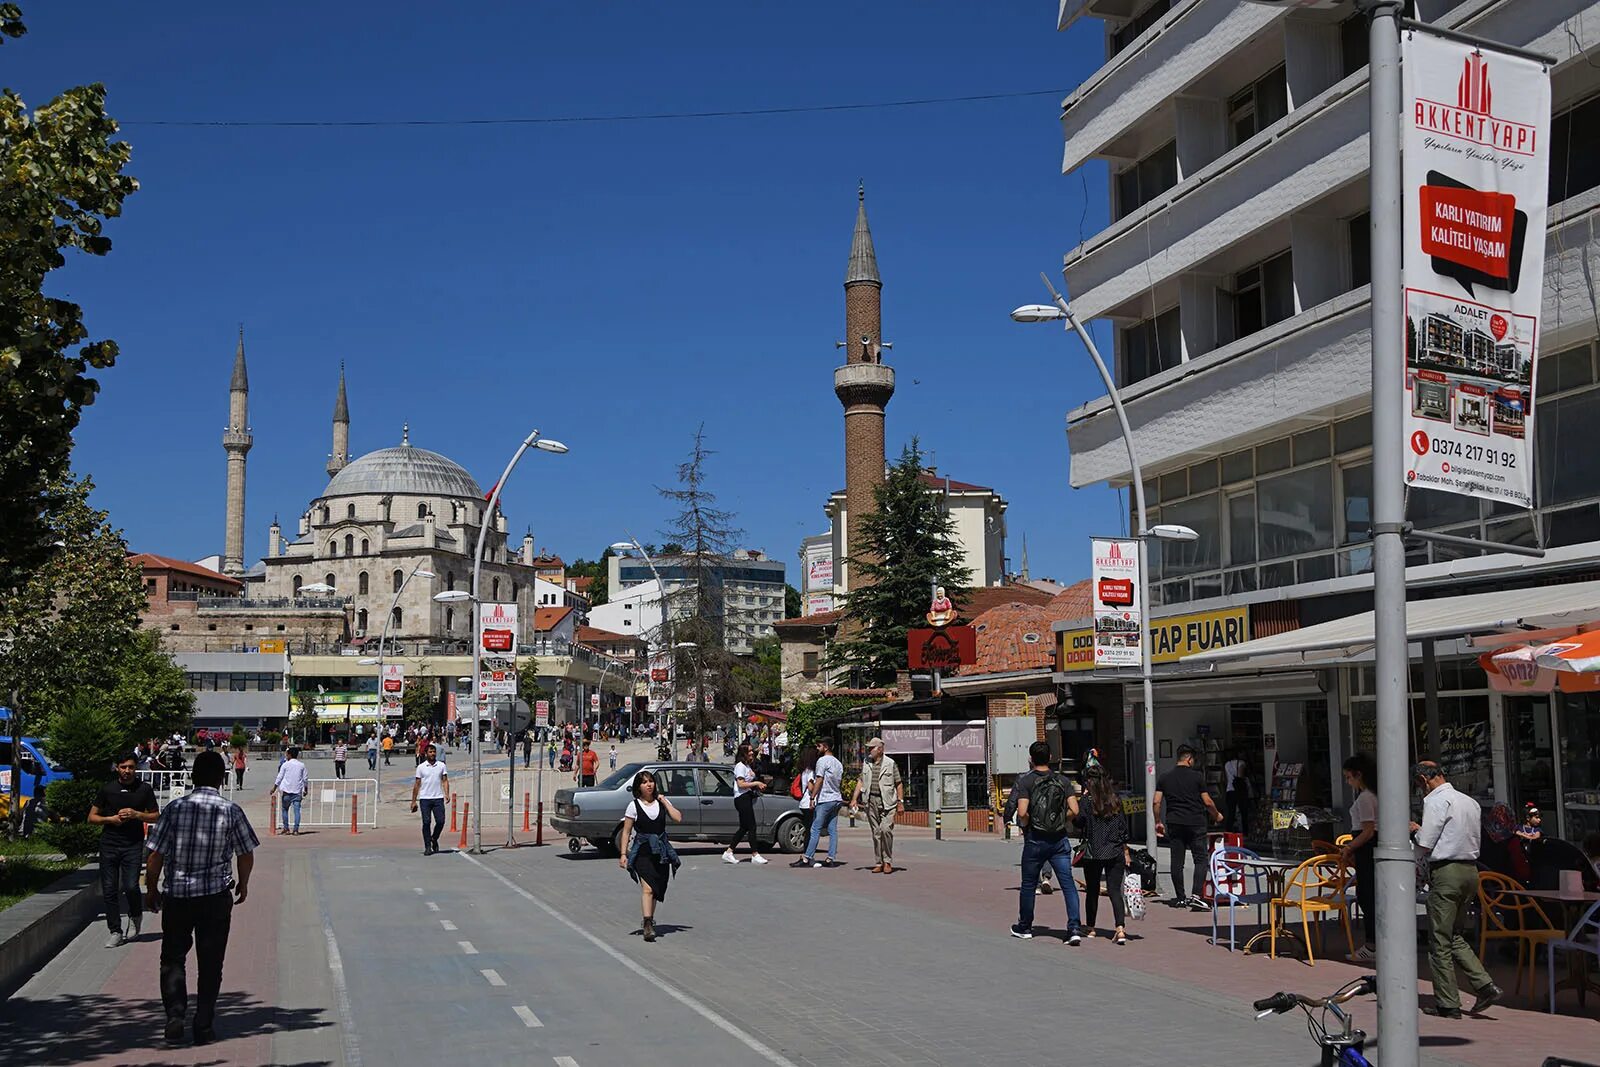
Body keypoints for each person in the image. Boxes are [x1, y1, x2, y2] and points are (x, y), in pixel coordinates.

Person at [144, 750, 259, 1046]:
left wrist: (152, 888)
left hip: (178, 896)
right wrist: (243, 885)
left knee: (172, 957)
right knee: (211, 963)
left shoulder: (174, 808)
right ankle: (204, 1025)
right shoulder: (230, 810)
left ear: (193, 778)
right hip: (214, 898)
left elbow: (155, 854)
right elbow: (246, 853)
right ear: (222, 779)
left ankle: (175, 1015)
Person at [1411, 760, 1502, 1018]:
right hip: (1470, 871)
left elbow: (1426, 841)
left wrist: (1415, 831)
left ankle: (1448, 1003)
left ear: (1423, 781)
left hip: (1447, 871)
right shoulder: (1469, 801)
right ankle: (1485, 985)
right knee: (1455, 935)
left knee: (1439, 940)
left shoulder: (1435, 801)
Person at [1009, 741, 1083, 944]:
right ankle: (1074, 927)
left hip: (1035, 839)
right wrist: (1061, 820)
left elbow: (1022, 812)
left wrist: (1028, 824)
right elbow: (1075, 811)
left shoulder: (1026, 782)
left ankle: (1025, 926)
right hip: (1059, 840)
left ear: (1031, 759)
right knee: (1068, 884)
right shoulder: (1063, 781)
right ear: (1050, 757)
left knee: (1028, 884)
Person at [89, 753, 161, 947]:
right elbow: (92, 817)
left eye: (130, 767)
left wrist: (137, 814)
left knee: (131, 885)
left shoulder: (143, 789)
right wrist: (110, 820)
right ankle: (115, 931)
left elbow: (156, 816)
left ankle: (136, 916)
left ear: (135, 768)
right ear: (117, 768)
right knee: (110, 889)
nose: (127, 771)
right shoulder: (108, 789)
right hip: (109, 844)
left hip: (133, 844)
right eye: (123, 767)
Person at [1153, 744, 1223, 909]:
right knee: (1200, 859)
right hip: (1196, 822)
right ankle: (1196, 895)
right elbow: (1207, 801)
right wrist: (1217, 815)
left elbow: (1156, 801)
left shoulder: (1164, 777)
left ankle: (1180, 898)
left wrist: (1158, 821)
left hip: (1174, 822)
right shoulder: (1197, 777)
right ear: (1189, 759)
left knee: (1177, 862)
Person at [619, 770, 683, 942]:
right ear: (638, 787)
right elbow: (626, 832)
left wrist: (664, 801)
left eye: (651, 781)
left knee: (656, 889)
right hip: (643, 852)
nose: (649, 785)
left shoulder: (661, 802)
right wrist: (623, 854)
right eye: (644, 782)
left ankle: (650, 920)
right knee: (647, 889)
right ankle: (647, 924)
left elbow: (678, 818)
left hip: (661, 852)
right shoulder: (634, 806)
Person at [1079, 767, 1130, 945]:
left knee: (1092, 890)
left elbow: (1079, 822)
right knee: (1115, 890)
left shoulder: (1087, 800)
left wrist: (1082, 799)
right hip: (1115, 850)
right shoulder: (1115, 799)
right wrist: (1125, 849)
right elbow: (1123, 828)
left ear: (1088, 782)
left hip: (1094, 851)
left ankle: (1091, 927)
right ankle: (1120, 929)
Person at [1339, 753, 1379, 963]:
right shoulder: (1375, 794)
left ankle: (1372, 944)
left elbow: (1367, 831)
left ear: (1358, 775)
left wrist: (1349, 848)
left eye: (1349, 777)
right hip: (1371, 847)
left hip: (1366, 848)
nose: (1348, 782)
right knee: (1371, 894)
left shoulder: (1365, 798)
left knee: (1367, 895)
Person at [850, 737, 904, 874]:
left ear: (880, 749)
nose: (869, 750)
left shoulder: (890, 763)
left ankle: (888, 861)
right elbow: (861, 781)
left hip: (888, 802)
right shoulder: (867, 762)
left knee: (886, 830)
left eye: (871, 748)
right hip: (870, 801)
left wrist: (900, 802)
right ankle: (879, 862)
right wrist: (854, 799)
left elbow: (898, 783)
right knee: (876, 833)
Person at [723, 742, 769, 865]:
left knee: (744, 827)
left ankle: (729, 852)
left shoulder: (747, 766)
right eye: (749, 751)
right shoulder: (740, 767)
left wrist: (758, 785)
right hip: (741, 798)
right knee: (752, 826)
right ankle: (755, 854)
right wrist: (756, 783)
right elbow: (741, 784)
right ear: (743, 753)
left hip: (747, 797)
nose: (751, 753)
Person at [410, 744, 450, 854]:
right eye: (430, 752)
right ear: (426, 753)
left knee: (441, 821)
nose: (432, 754)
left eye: (434, 752)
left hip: (438, 798)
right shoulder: (421, 767)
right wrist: (413, 801)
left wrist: (447, 793)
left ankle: (434, 838)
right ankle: (427, 846)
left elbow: (445, 780)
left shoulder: (441, 765)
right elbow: (417, 784)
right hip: (425, 799)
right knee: (426, 822)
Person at [789, 745, 819, 869]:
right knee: (811, 831)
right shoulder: (811, 771)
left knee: (808, 830)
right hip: (809, 803)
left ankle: (808, 856)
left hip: (804, 803)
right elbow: (811, 788)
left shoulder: (804, 770)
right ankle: (807, 856)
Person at [270, 746, 309, 835]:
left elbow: (279, 777)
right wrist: (306, 789)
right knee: (297, 811)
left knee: (284, 809)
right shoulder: (301, 765)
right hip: (297, 791)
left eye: (287, 754)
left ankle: (286, 828)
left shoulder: (285, 764)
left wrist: (274, 788)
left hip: (287, 791)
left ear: (290, 755)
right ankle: (295, 829)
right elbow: (305, 779)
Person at [1223, 750, 1251, 838]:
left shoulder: (1227, 764)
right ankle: (1245, 832)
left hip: (1230, 790)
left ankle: (1228, 831)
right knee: (1243, 811)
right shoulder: (1241, 763)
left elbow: (1227, 778)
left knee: (1231, 812)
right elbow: (1240, 775)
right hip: (1239, 790)